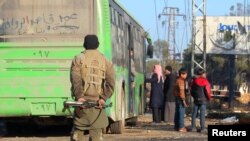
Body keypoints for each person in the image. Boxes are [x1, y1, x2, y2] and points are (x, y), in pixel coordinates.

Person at [70, 34, 115, 141]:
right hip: (97, 105)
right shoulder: (106, 61)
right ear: (97, 45)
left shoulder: (78, 59)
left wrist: (79, 96)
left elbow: (75, 80)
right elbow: (111, 83)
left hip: (82, 105)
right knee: (96, 135)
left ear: (84, 45)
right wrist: (103, 98)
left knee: (77, 134)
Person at [190, 68, 211, 133]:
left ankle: (193, 127)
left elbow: (191, 91)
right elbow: (207, 91)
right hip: (203, 100)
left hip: (196, 100)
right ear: (202, 74)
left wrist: (194, 97)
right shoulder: (205, 81)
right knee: (202, 115)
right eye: (204, 73)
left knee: (194, 114)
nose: (205, 74)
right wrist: (208, 98)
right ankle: (203, 128)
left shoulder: (193, 81)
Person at [174, 68, 188, 132]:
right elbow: (182, 91)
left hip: (177, 98)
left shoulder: (177, 80)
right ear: (182, 74)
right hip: (180, 99)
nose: (186, 75)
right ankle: (181, 127)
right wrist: (184, 100)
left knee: (177, 112)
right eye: (185, 74)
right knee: (181, 113)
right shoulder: (181, 81)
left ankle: (176, 126)